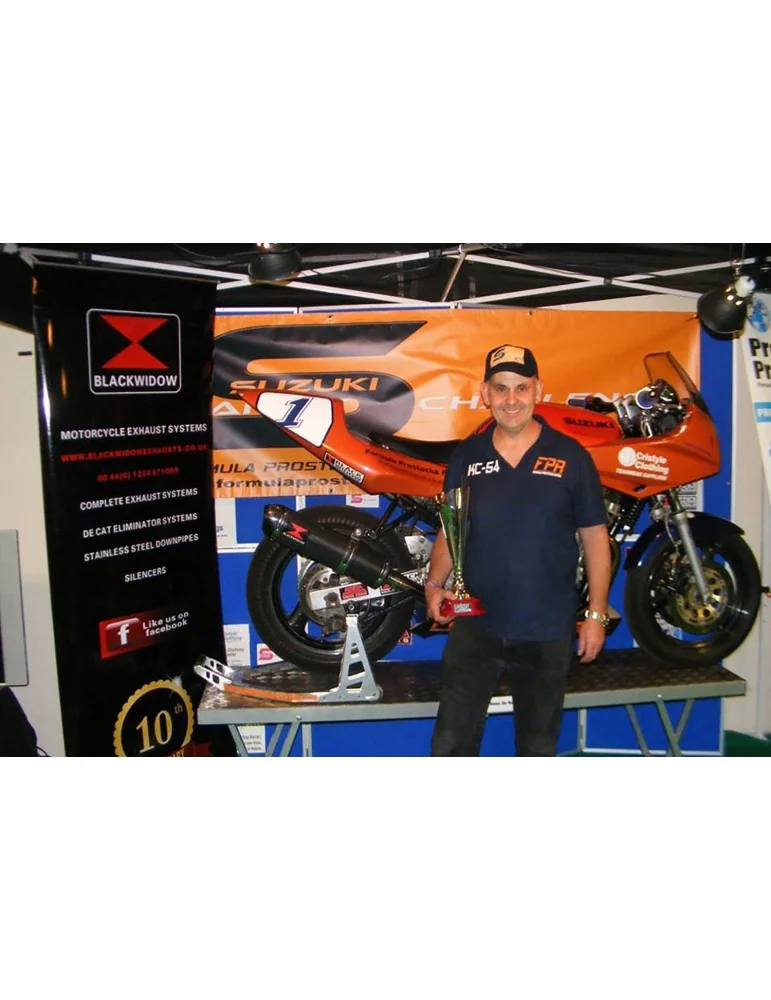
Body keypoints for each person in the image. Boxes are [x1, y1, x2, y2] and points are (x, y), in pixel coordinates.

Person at [425, 344, 611, 756]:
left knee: (536, 749)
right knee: (450, 746)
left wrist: (596, 614)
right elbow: (451, 528)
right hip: (475, 627)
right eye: (501, 388)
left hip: (546, 630)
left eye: (521, 388)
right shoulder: (467, 456)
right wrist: (434, 584)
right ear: (485, 393)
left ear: (538, 391)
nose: (511, 400)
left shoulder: (571, 456)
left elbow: (595, 537)